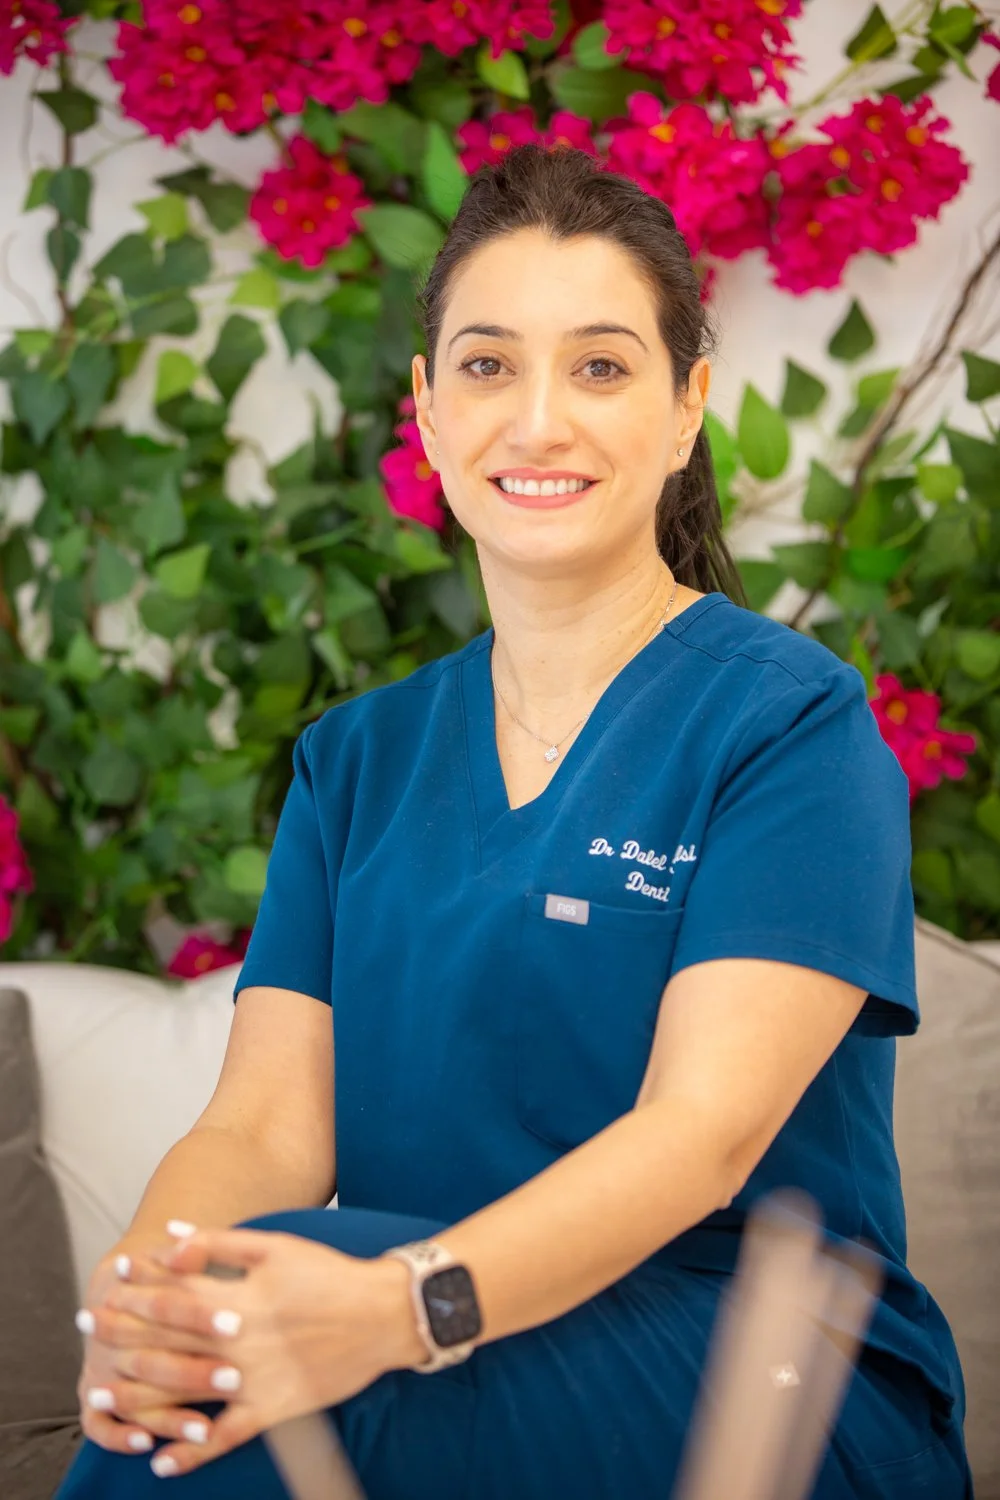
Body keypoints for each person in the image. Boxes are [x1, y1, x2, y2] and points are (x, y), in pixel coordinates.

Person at [56, 144, 971, 1500]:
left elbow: (701, 1138)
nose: (538, 420)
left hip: (772, 1374)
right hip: (420, 1328)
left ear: (683, 410)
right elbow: (261, 1132)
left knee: (256, 1415)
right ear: (427, 412)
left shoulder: (790, 725)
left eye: (600, 367)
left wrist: (393, 1309)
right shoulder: (352, 760)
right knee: (193, 1391)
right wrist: (153, 1308)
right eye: (488, 365)